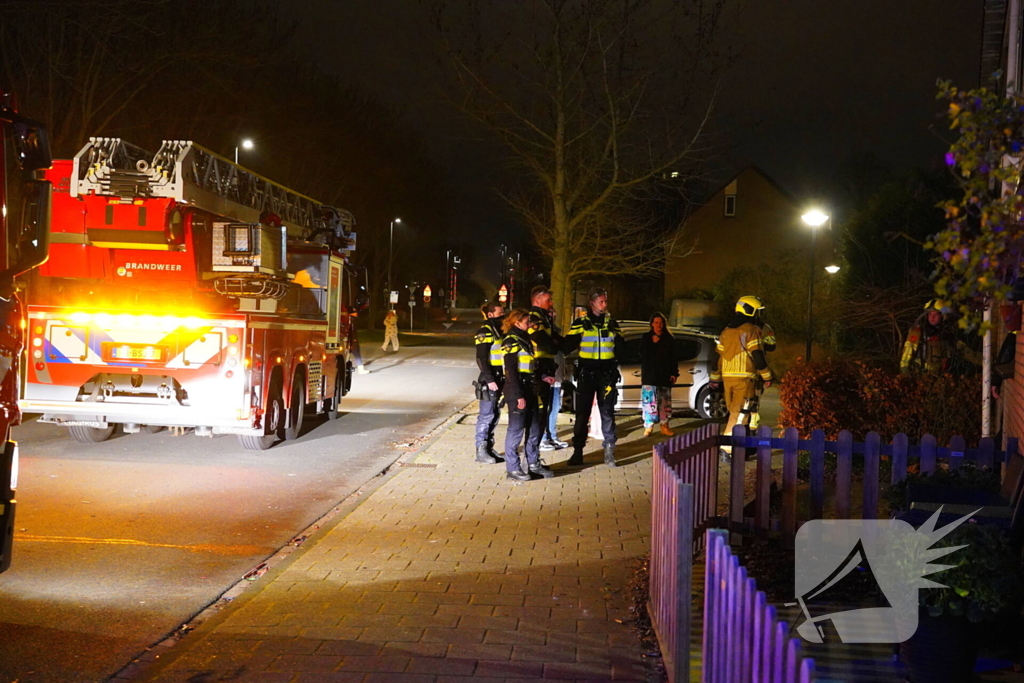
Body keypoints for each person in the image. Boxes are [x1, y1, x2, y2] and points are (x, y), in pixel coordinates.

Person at [564, 288, 625, 467]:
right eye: (601, 302)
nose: (604, 305)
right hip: (587, 374)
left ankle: (609, 451)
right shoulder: (580, 323)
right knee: (582, 414)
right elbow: (567, 345)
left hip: (606, 375)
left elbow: (622, 349)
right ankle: (578, 452)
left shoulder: (612, 323)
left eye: (605, 301)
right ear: (592, 303)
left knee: (607, 413)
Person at [709, 296, 772, 458]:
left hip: (727, 378)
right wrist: (767, 376)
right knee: (740, 415)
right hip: (745, 378)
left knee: (735, 412)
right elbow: (757, 355)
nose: (758, 315)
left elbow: (717, 357)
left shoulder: (726, 331)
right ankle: (727, 450)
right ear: (750, 310)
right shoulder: (751, 330)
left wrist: (715, 377)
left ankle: (744, 447)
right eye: (757, 311)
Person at [501, 308, 554, 481]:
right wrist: (518, 396)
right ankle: (513, 469)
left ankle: (532, 464)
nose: (530, 324)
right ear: (517, 323)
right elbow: (510, 371)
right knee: (516, 431)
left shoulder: (525, 340)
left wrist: (543, 376)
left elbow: (530, 367)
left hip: (530, 389)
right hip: (517, 391)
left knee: (534, 429)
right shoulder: (510, 341)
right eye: (526, 322)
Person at [527, 286, 563, 451]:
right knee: (540, 409)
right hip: (538, 367)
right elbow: (543, 341)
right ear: (537, 301)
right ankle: (538, 441)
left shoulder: (543, 318)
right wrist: (556, 347)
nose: (551, 303)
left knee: (547, 407)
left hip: (546, 367)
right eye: (548, 300)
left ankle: (543, 439)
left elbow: (555, 339)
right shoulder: (534, 318)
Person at [473, 303, 505, 464]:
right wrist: (490, 379)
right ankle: (481, 451)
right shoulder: (484, 332)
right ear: (490, 315)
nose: (503, 315)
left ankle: (489, 448)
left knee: (495, 414)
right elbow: (481, 357)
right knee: (486, 415)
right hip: (489, 379)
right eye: (500, 313)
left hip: (499, 377)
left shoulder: (498, 331)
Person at [639, 312, 678, 437]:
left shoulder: (669, 339)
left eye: (661, 322)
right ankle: (648, 426)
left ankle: (664, 425)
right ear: (652, 324)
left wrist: (674, 373)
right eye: (656, 322)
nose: (658, 325)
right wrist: (653, 344)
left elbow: (673, 358)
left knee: (664, 402)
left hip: (664, 376)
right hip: (649, 376)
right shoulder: (646, 338)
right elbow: (643, 354)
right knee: (649, 402)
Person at [543, 305, 569, 450]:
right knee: (545, 409)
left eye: (553, 312)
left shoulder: (556, 331)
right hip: (546, 376)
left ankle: (551, 436)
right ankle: (542, 439)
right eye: (549, 312)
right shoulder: (542, 333)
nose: (552, 315)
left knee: (555, 407)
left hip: (557, 376)